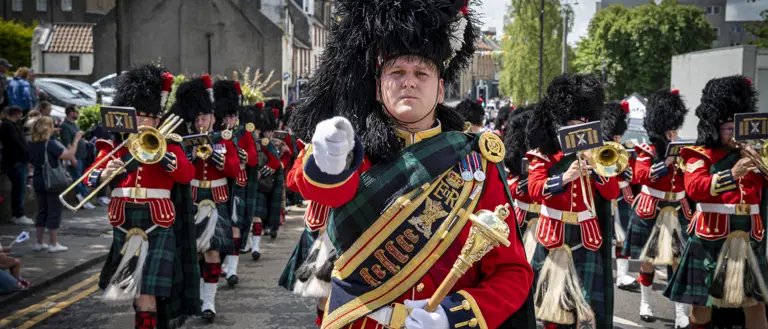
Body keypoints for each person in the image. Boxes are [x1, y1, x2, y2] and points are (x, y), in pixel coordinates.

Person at [286, 1, 535, 328]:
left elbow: (512, 271)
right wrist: (329, 158)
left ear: (441, 88)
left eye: (422, 73)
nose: (409, 82)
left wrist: (454, 314)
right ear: (378, 87)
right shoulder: (352, 149)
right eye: (397, 72)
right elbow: (320, 187)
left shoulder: (476, 161)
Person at [86, 65, 199, 329]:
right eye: (140, 116)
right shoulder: (115, 147)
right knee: (138, 295)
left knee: (147, 292)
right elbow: (90, 176)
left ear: (158, 121)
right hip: (124, 220)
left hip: (157, 221)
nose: (145, 122)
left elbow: (186, 174)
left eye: (150, 117)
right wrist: (104, 173)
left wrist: (167, 160)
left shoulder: (169, 144)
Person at [665, 75, 768, 329]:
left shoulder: (756, 153)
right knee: (703, 306)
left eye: (737, 128)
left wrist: (759, 161)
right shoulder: (698, 154)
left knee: (756, 305)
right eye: (728, 129)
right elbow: (696, 188)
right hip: (711, 234)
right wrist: (733, 173)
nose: (734, 134)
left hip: (749, 234)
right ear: (715, 128)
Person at [525, 74, 620, 328]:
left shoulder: (596, 154)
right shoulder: (544, 155)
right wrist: (564, 178)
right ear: (561, 122)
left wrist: (595, 165)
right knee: (551, 312)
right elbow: (534, 189)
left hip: (585, 239)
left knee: (584, 313)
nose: (581, 124)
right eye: (575, 119)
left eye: (585, 119)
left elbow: (612, 193)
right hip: (553, 237)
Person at [621, 89, 691, 327]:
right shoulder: (646, 151)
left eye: (675, 127)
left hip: (676, 209)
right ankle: (646, 302)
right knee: (647, 261)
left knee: (677, 261)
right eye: (670, 128)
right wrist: (666, 163)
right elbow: (642, 176)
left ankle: (680, 311)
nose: (673, 132)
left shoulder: (684, 150)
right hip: (651, 209)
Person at [173, 75, 239, 323]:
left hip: (216, 198)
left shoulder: (224, 140)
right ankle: (200, 295)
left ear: (213, 117)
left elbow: (233, 170)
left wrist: (213, 155)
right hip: (192, 199)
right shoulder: (185, 141)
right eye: (197, 119)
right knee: (196, 254)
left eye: (204, 118)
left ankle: (209, 300)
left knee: (212, 253)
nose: (200, 123)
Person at [213, 79, 257, 286]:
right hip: (219, 188)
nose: (231, 120)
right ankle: (219, 265)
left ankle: (232, 270)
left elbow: (254, 159)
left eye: (233, 116)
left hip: (238, 184)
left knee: (236, 226)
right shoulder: (214, 135)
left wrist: (244, 156)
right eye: (227, 116)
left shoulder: (244, 133)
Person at [600, 101, 640, 293]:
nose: (618, 137)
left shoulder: (626, 147)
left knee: (623, 236)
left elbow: (633, 175)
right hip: (606, 194)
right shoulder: (600, 148)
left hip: (623, 194)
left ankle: (622, 274)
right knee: (602, 234)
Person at [27, 116, 81, 252]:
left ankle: (39, 242)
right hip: (52, 182)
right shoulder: (50, 143)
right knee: (54, 212)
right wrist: (76, 140)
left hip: (38, 180)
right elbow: (69, 155)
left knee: (41, 211)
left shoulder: (31, 143)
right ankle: (53, 243)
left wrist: (52, 132)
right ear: (48, 129)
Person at [502, 105, 539, 261]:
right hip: (521, 215)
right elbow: (507, 184)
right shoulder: (515, 165)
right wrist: (519, 185)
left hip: (544, 218)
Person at [60, 104, 97, 209]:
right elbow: (67, 144)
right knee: (78, 178)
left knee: (83, 177)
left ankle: (85, 198)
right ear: (70, 112)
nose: (78, 113)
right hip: (75, 156)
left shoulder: (75, 124)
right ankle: (83, 199)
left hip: (83, 155)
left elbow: (79, 138)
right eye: (76, 111)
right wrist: (72, 158)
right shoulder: (64, 126)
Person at [0, 106, 32, 225]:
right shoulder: (8, 126)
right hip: (15, 161)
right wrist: (26, 155)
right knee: (19, 188)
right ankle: (18, 214)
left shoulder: (11, 125)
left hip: (17, 160)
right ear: (17, 114)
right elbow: (16, 143)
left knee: (19, 188)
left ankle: (18, 213)